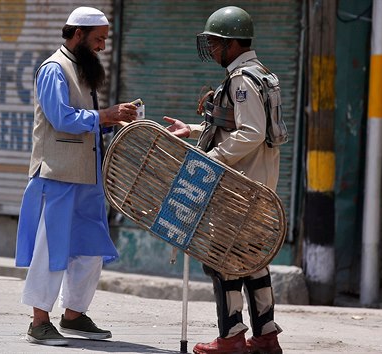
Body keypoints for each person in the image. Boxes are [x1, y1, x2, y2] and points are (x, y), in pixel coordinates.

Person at [14, 6, 137, 347]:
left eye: (105, 40)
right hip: (58, 173)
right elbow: (61, 118)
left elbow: (87, 118)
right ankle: (39, 322)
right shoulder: (54, 69)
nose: (102, 47)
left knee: (90, 247)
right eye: (98, 39)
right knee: (52, 248)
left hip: (87, 175)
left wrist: (111, 120)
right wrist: (104, 115)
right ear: (78, 34)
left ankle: (74, 314)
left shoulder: (81, 68)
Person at [164, 6, 283, 354]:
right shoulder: (260, 73)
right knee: (253, 260)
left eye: (215, 44)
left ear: (232, 44)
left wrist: (210, 159)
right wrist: (196, 130)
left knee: (223, 260)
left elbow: (251, 133)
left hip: (239, 188)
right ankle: (266, 336)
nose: (212, 50)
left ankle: (231, 338)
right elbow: (236, 127)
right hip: (258, 186)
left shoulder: (242, 80)